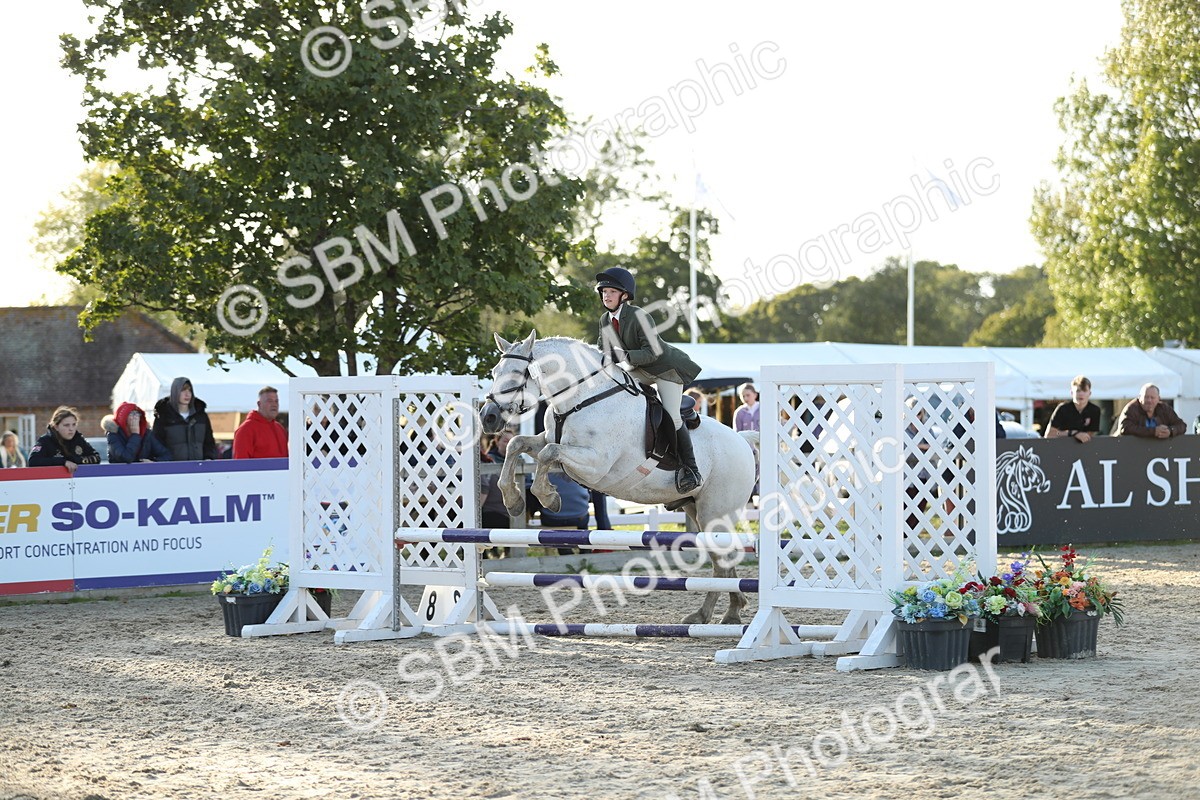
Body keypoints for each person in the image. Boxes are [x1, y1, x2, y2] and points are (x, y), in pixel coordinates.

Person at [595, 266, 703, 493]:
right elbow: (601, 350)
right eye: (603, 292)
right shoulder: (605, 320)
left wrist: (624, 356)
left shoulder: (639, 316)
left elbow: (653, 352)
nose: (606, 296)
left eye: (611, 292)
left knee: (671, 415)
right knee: (618, 391)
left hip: (666, 368)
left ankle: (691, 469)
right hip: (641, 368)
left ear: (624, 295)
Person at [153, 377, 219, 461]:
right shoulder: (163, 416)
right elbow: (157, 444)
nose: (187, 394)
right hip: (173, 469)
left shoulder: (201, 416)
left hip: (200, 467)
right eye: (183, 390)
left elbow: (209, 442)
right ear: (175, 392)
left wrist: (209, 457)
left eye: (189, 390)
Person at [27, 406, 101, 474]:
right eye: (66, 425)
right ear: (56, 427)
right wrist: (63, 462)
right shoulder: (45, 441)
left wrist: (76, 460)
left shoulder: (79, 439)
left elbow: (96, 458)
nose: (71, 429)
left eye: (74, 424)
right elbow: (33, 461)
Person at [103, 402, 173, 463]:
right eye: (132, 414)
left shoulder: (147, 434)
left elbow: (167, 455)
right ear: (123, 418)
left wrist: (153, 462)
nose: (136, 417)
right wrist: (135, 435)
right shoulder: (113, 435)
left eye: (137, 414)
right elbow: (126, 458)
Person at [233, 386, 288, 458]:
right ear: (259, 404)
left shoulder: (279, 428)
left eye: (276, 401)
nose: (274, 404)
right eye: (269, 401)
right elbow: (240, 462)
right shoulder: (246, 429)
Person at [1117, 383, 1187, 439]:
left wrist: (1170, 431)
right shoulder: (1131, 408)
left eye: (1152, 398)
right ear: (1139, 398)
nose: (1149, 400)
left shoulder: (1164, 409)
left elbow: (1182, 425)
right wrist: (1153, 432)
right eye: (1146, 397)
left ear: (1158, 399)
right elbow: (1124, 428)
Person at [1045, 375, 1102, 443]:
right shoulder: (1063, 409)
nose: (1081, 394)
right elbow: (1049, 434)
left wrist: (1080, 435)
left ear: (1089, 393)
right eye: (1078, 391)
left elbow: (1088, 436)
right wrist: (1073, 433)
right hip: (1061, 447)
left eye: (1084, 390)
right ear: (1072, 393)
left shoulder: (1094, 410)